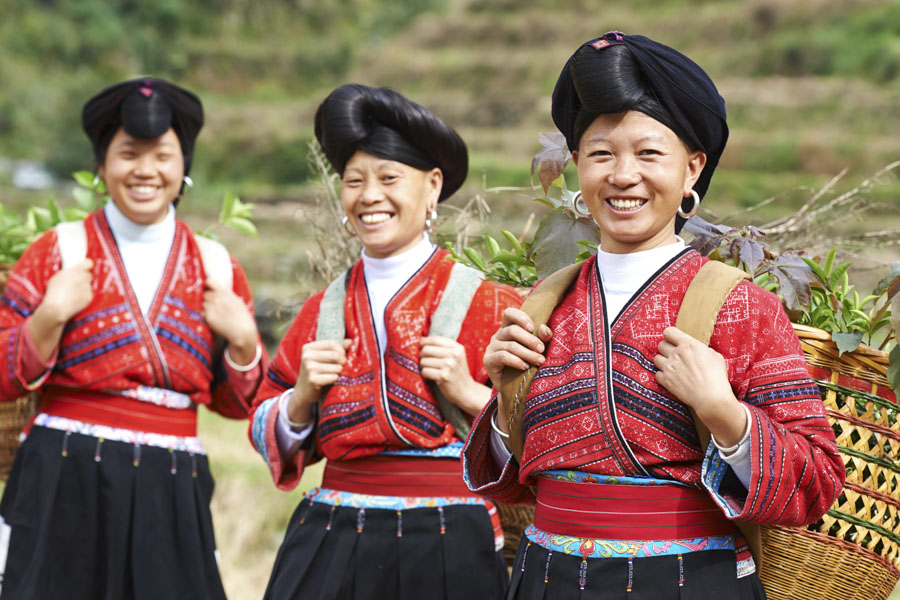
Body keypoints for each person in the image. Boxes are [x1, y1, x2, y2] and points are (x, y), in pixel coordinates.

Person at [464, 32, 845, 599]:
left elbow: (817, 484)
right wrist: (506, 399)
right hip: (548, 578)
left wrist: (724, 413)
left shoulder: (741, 306)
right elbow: (510, 484)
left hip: (690, 583)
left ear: (692, 169)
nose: (623, 175)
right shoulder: (544, 302)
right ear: (577, 166)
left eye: (648, 154)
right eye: (601, 154)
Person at [249, 83, 522, 600]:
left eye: (389, 178)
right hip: (332, 533)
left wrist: (471, 394)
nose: (369, 196)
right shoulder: (320, 311)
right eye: (354, 181)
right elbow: (264, 423)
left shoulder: (491, 304)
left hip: (450, 540)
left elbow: (544, 435)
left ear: (433, 186)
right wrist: (300, 398)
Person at [0, 77, 265, 599]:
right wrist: (49, 316)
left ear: (184, 167)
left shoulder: (216, 266)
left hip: (171, 486)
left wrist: (243, 344)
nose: (146, 170)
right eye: (128, 154)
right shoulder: (58, 251)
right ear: (102, 166)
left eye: (162, 155)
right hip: (61, 481)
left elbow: (238, 406)